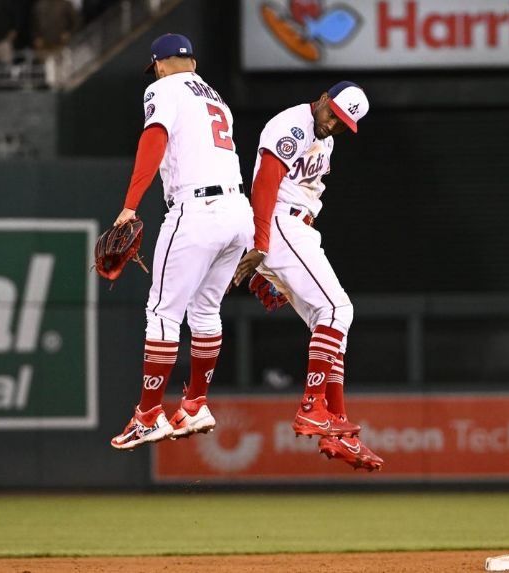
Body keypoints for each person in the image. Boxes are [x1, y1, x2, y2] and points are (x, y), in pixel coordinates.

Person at [110, 34, 253, 450]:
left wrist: (130, 205)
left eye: (155, 66)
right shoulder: (216, 97)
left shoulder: (162, 87)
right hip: (237, 211)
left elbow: (153, 139)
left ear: (160, 63)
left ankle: (149, 415)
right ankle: (195, 404)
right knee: (205, 310)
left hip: (197, 210)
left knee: (162, 312)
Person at [232, 81, 384, 471]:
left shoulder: (326, 140)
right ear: (320, 100)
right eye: (332, 112)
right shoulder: (293, 126)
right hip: (280, 223)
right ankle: (311, 407)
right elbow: (265, 182)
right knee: (338, 310)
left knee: (331, 327)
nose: (333, 123)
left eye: (342, 121)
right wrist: (262, 247)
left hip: (298, 227)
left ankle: (339, 432)